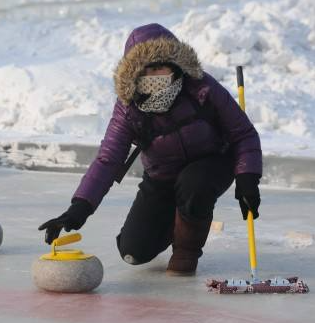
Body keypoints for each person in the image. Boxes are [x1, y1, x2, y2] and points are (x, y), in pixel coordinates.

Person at [39, 23, 262, 276]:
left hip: (211, 164)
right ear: (134, 74)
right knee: (133, 251)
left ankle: (186, 251)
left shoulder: (201, 88)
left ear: (174, 64)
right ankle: (180, 219)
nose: (154, 75)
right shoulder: (128, 108)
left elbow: (243, 133)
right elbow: (108, 159)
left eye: (159, 66)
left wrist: (247, 178)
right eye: (146, 70)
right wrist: (79, 208)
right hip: (162, 177)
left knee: (194, 184)